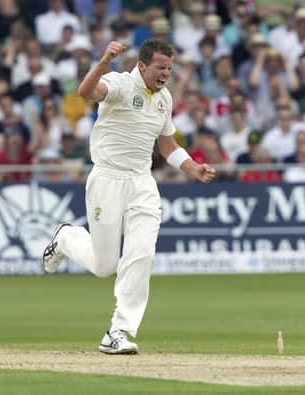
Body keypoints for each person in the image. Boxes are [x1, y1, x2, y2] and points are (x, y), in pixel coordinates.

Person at [41, 38, 216, 355]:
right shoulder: (120, 84)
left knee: (142, 253)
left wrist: (191, 167)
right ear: (143, 65)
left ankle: (118, 330)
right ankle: (66, 237)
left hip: (142, 182)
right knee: (105, 265)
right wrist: (104, 60)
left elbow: (167, 146)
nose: (165, 73)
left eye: (170, 68)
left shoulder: (164, 99)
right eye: (161, 67)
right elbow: (85, 92)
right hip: (107, 177)